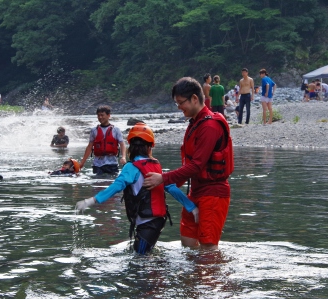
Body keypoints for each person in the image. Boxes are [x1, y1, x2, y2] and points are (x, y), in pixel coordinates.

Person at [75, 122, 199, 255]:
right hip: (157, 222)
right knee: (144, 256)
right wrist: (192, 208)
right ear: (150, 147)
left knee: (140, 260)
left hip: (147, 224)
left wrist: (91, 201)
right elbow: (172, 188)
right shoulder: (156, 166)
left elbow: (115, 187)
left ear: (130, 148)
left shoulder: (131, 167)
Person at [143, 77, 233, 250]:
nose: (179, 108)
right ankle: (193, 277)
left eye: (180, 103)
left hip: (213, 194)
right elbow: (189, 166)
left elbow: (197, 165)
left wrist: (162, 178)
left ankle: (212, 276)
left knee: (208, 248)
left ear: (194, 98)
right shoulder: (195, 124)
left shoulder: (210, 126)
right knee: (187, 242)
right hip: (196, 192)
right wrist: (165, 186)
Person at [79, 105, 126, 175]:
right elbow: (89, 147)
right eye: (98, 115)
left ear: (108, 115)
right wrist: (82, 162)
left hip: (112, 163)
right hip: (97, 164)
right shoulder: (94, 130)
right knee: (98, 183)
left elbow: (122, 144)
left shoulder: (116, 130)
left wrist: (124, 157)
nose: (100, 117)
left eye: (102, 115)